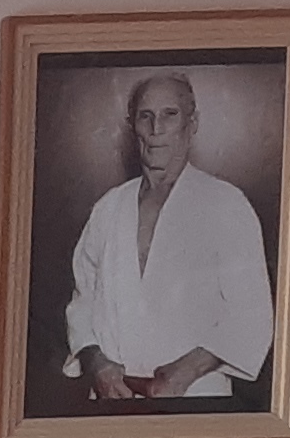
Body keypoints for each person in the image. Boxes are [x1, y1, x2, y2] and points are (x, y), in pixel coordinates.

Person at [61, 70, 274, 405]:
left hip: (195, 398)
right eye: (145, 116)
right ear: (132, 126)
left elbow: (251, 313)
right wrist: (97, 363)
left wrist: (182, 373)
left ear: (193, 122)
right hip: (112, 401)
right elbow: (82, 302)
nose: (156, 129)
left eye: (169, 115)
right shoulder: (108, 208)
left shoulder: (226, 204)